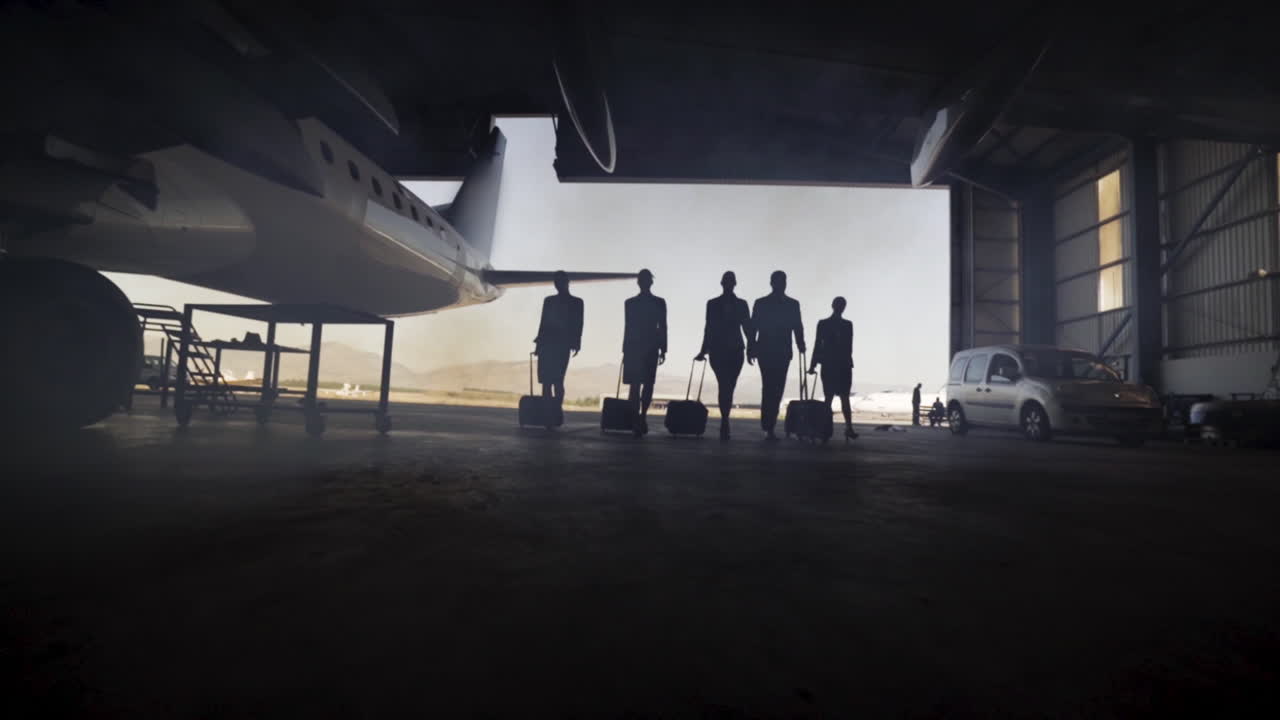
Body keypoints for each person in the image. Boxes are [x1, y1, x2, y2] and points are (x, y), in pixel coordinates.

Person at [695, 271, 753, 441]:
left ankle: (725, 419)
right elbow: (709, 328)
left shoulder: (721, 304)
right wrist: (704, 349)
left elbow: (747, 329)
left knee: (727, 385)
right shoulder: (717, 304)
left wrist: (751, 349)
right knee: (726, 385)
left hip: (730, 350)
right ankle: (725, 420)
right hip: (724, 350)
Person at [749, 270, 804, 442]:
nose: (782, 284)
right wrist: (750, 348)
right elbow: (753, 328)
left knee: (774, 388)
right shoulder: (787, 304)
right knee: (771, 388)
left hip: (773, 351)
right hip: (771, 351)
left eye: (783, 281)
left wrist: (800, 343)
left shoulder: (765, 303)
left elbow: (797, 326)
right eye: (780, 281)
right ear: (773, 283)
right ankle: (768, 426)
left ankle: (769, 426)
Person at [623, 268, 667, 436]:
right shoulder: (659, 303)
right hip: (649, 347)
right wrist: (664, 348)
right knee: (647, 384)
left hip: (636, 347)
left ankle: (638, 418)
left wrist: (625, 349)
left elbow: (628, 328)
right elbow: (663, 327)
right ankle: (641, 417)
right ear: (650, 282)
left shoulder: (630, 303)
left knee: (636, 385)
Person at [532, 271, 583, 411]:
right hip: (553, 345)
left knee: (555, 381)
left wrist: (576, 343)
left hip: (556, 346)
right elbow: (543, 324)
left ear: (566, 283)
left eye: (559, 282)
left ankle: (553, 411)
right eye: (556, 282)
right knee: (549, 382)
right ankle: (551, 411)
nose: (558, 285)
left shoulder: (572, 302)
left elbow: (578, 324)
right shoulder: (572, 302)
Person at [808, 296, 857, 441]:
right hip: (843, 365)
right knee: (844, 398)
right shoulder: (848, 325)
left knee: (829, 398)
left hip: (830, 365)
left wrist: (813, 364)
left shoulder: (823, 324)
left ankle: (825, 428)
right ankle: (848, 427)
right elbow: (849, 347)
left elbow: (818, 345)